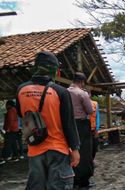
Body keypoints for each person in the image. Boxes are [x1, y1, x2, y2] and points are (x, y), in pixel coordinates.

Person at [16, 51, 80, 189]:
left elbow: (22, 116)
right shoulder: (60, 92)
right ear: (55, 71)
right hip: (58, 150)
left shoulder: (21, 90)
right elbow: (68, 123)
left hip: (34, 150)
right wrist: (75, 149)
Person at [67, 72, 94, 188]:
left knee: (70, 151)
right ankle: (83, 181)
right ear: (82, 82)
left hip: (67, 124)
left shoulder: (64, 92)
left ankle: (72, 180)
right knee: (84, 152)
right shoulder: (82, 93)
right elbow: (89, 110)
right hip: (81, 125)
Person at [0, 100, 19, 164]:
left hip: (11, 130)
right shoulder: (15, 110)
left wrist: (8, 128)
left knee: (7, 144)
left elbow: (11, 120)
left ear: (9, 105)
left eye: (6, 105)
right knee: (13, 143)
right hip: (15, 129)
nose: (6, 106)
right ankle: (15, 156)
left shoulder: (11, 110)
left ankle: (3, 158)